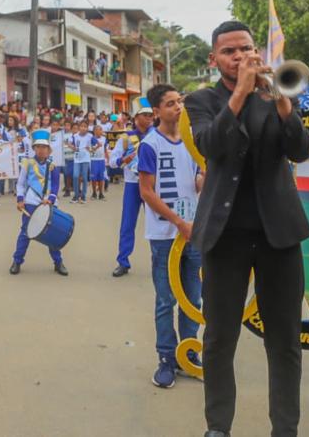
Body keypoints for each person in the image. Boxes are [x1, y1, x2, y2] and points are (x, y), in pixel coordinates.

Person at [185, 20, 309, 437]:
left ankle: (285, 429)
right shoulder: (201, 100)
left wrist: (281, 105)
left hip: (280, 234)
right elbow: (211, 145)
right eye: (230, 52)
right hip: (225, 238)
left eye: (246, 49)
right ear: (214, 59)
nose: (240, 57)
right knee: (220, 340)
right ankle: (218, 427)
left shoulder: (279, 92)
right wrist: (240, 92)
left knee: (284, 342)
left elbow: (300, 150)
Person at [137, 83, 203, 389]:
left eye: (180, 101)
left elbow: (198, 179)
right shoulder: (150, 145)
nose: (178, 107)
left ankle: (189, 354)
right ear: (157, 111)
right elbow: (147, 191)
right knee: (166, 300)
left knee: (194, 299)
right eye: (171, 103)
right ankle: (166, 358)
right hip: (166, 235)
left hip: (195, 233)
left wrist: (204, 176)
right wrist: (177, 221)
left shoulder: (193, 141)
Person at [10, 129, 67, 276]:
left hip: (49, 203)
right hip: (31, 202)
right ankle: (17, 261)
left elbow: (55, 185)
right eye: (38, 147)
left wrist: (51, 199)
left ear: (49, 149)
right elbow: (21, 184)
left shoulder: (53, 165)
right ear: (34, 148)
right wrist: (20, 200)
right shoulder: (27, 163)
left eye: (44, 147)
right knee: (25, 233)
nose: (41, 150)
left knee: (52, 234)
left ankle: (58, 262)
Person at [110, 97, 155, 277]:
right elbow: (112, 161)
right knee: (128, 224)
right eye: (145, 115)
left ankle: (160, 260)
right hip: (132, 185)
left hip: (152, 184)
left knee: (157, 223)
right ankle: (123, 261)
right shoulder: (125, 138)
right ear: (136, 118)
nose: (150, 117)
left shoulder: (157, 135)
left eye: (151, 115)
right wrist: (123, 160)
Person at [70, 120, 93, 203]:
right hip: (77, 158)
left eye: (85, 126)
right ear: (79, 127)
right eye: (82, 126)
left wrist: (90, 149)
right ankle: (76, 195)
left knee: (84, 177)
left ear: (87, 128)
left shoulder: (90, 136)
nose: (83, 128)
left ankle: (83, 196)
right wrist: (73, 148)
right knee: (75, 176)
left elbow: (95, 146)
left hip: (86, 159)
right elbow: (69, 144)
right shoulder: (75, 136)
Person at [90, 124, 107, 200]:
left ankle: (101, 193)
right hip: (94, 160)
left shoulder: (104, 139)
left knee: (101, 178)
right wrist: (97, 146)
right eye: (97, 130)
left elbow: (105, 149)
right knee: (94, 178)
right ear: (94, 131)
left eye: (100, 130)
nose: (99, 131)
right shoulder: (92, 139)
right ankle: (94, 193)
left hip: (102, 160)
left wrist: (107, 158)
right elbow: (91, 150)